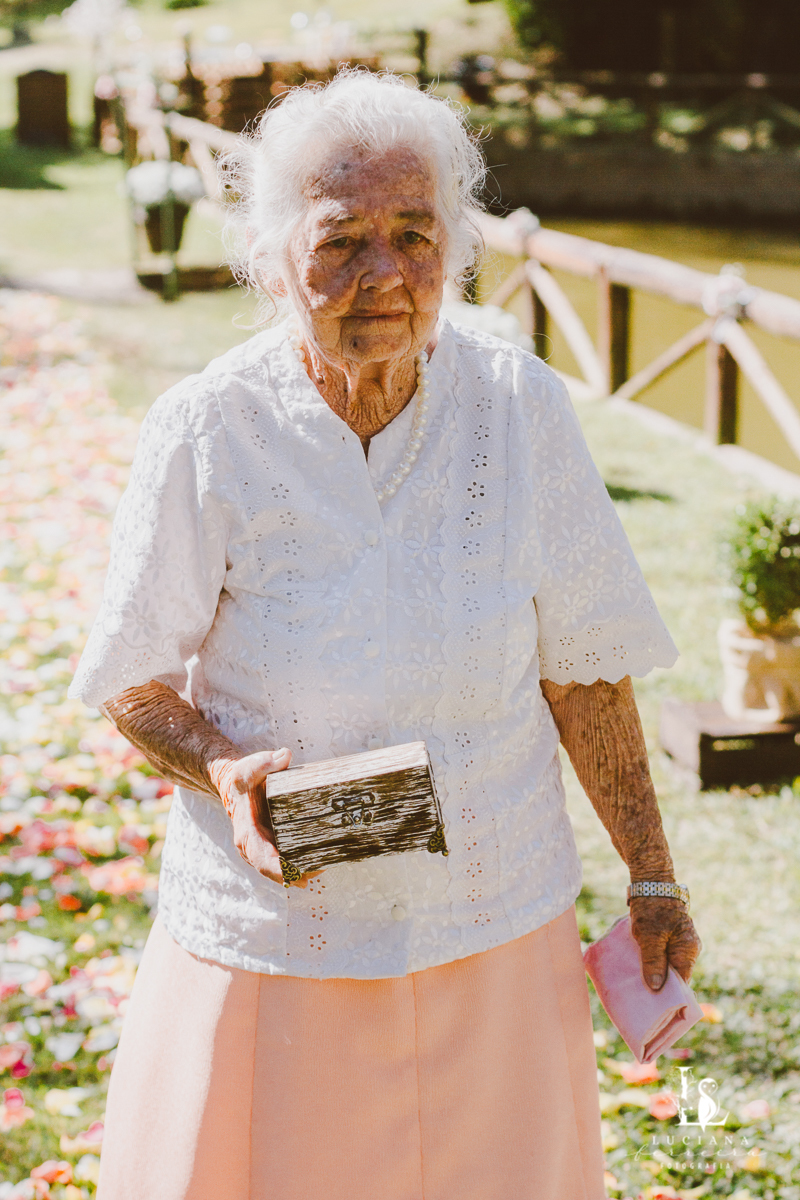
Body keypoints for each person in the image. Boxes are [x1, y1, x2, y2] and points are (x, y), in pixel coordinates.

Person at [70, 69, 701, 1200]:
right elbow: (134, 677)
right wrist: (222, 767)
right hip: (279, 932)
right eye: (340, 239)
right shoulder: (207, 427)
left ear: (454, 252)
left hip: (494, 918)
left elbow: (585, 671)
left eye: (414, 235)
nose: (383, 274)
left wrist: (651, 878)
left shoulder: (519, 407)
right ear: (271, 260)